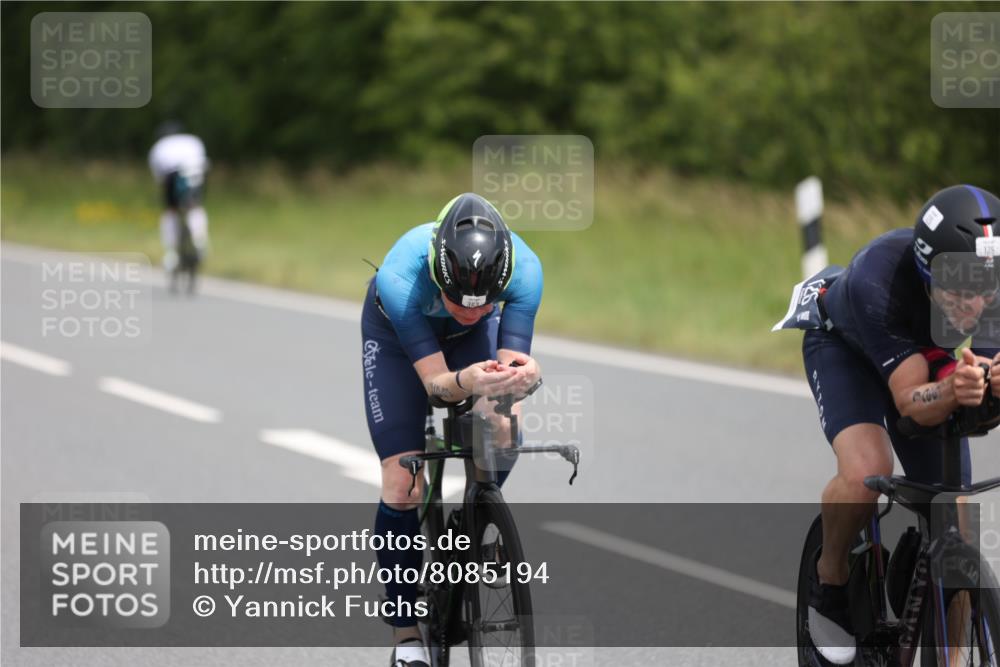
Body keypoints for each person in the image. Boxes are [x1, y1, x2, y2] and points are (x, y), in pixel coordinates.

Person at [785, 184, 1000, 664]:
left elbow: (982, 389)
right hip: (847, 348)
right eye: (961, 290)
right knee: (867, 473)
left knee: (956, 513)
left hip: (926, 358)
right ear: (929, 270)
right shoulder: (876, 278)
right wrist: (953, 389)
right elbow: (909, 404)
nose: (975, 306)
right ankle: (832, 576)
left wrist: (989, 387)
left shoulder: (991, 293)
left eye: (987, 288)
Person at [360, 192, 543, 667]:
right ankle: (406, 637)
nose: (469, 310)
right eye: (457, 300)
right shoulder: (400, 276)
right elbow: (438, 385)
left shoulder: (525, 272)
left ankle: (476, 520)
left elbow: (511, 368)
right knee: (402, 481)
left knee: (503, 422)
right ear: (437, 273)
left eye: (483, 305)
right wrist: (466, 381)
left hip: (466, 348)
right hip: (399, 342)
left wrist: (525, 375)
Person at [148, 121, 210, 272]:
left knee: (171, 212)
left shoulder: (159, 147)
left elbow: (159, 178)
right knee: (195, 207)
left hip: (173, 175)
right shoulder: (193, 140)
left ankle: (172, 254)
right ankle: (200, 241)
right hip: (197, 173)